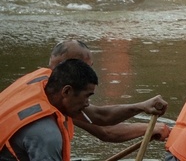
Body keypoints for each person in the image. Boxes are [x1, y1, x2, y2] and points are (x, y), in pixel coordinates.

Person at [5, 40, 172, 143]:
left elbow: (100, 116)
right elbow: (106, 130)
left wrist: (142, 107)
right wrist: (152, 128)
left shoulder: (41, 81)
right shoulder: (59, 98)